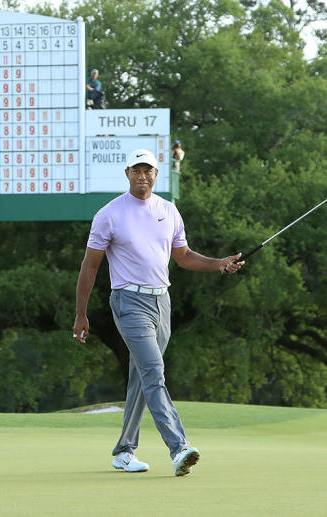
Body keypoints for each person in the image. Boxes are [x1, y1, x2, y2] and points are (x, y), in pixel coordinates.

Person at [73, 148, 244, 477]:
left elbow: (183, 256)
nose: (142, 176)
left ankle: (124, 451)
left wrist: (219, 263)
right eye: (136, 170)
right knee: (154, 372)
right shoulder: (109, 214)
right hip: (128, 302)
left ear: (156, 174)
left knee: (142, 377)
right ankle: (179, 447)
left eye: (148, 170)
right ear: (127, 174)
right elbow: (89, 268)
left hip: (161, 302)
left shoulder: (169, 210)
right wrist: (81, 314)